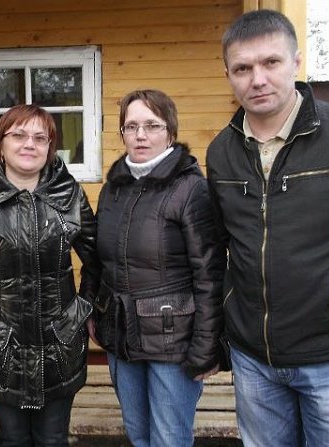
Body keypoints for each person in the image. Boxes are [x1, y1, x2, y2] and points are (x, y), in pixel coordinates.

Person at [206, 9, 329, 446]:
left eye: (271, 62)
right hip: (253, 360)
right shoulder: (221, 152)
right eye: (243, 68)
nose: (257, 79)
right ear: (228, 74)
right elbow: (221, 246)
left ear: (297, 62)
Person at [0, 104, 100, 447]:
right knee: (12, 438)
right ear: (1, 144)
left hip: (59, 346)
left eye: (40, 138)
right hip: (0, 347)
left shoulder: (71, 197)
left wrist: (86, 307)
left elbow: (97, 259)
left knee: (52, 438)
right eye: (19, 135)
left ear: (50, 148)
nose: (30, 144)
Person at [90, 89, 225, 446]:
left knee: (169, 440)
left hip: (172, 341)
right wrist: (95, 311)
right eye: (131, 126)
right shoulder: (113, 189)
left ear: (170, 132)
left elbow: (209, 274)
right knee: (138, 435)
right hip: (121, 335)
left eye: (152, 125)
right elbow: (99, 262)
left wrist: (207, 345)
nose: (140, 135)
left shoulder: (190, 189)